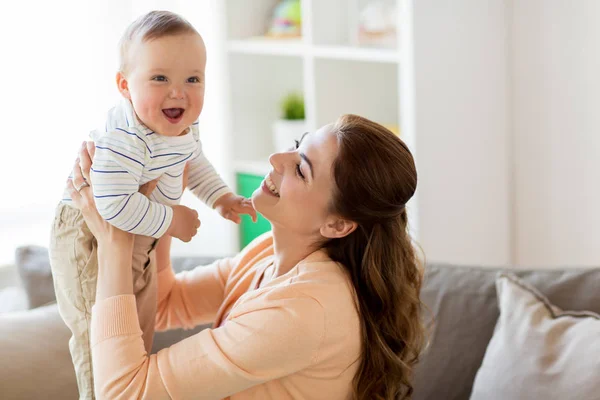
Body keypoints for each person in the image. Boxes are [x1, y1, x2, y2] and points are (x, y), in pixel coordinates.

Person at [68, 114, 426, 400]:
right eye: (298, 145)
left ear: (337, 224)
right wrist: (160, 201)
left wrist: (114, 240)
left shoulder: (304, 309)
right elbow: (166, 304)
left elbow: (123, 393)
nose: (276, 158)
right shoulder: (269, 254)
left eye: (301, 169)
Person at [50, 10, 256, 399]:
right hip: (88, 237)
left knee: (133, 334)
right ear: (125, 86)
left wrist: (221, 198)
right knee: (101, 335)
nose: (178, 92)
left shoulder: (181, 127)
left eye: (192, 79)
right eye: (160, 78)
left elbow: (192, 161)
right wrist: (171, 220)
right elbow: (110, 207)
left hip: (139, 233)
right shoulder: (125, 138)